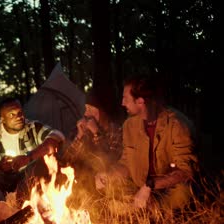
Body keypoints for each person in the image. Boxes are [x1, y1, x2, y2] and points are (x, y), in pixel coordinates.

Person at [95, 75, 199, 213]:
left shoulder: (177, 125)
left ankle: (150, 209)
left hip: (167, 188)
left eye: (125, 98)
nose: (122, 103)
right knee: (112, 188)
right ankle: (144, 207)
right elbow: (126, 163)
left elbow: (186, 171)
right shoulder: (129, 125)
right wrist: (109, 175)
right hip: (140, 187)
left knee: (182, 194)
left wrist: (150, 185)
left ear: (140, 101)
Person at [0, 97, 65, 222]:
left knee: (40, 163)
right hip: (3, 181)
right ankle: (3, 210)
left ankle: (19, 207)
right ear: (2, 119)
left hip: (26, 180)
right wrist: (0, 166)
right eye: (12, 115)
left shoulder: (32, 127)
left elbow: (58, 136)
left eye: (20, 113)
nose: (19, 117)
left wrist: (28, 158)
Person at [58, 95, 123, 201]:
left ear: (102, 112)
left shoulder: (115, 130)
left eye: (91, 109)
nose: (86, 114)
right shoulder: (83, 132)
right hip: (83, 188)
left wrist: (97, 133)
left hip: (106, 186)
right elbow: (65, 160)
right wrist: (79, 136)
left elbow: (109, 161)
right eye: (86, 109)